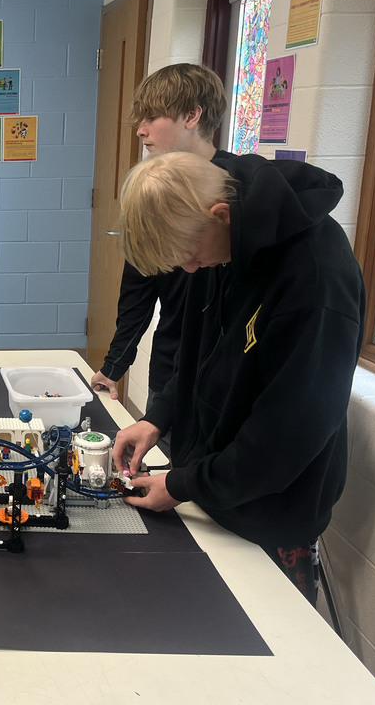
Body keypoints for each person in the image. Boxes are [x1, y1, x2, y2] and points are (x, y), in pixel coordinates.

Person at [111, 150, 364, 604]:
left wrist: (180, 485)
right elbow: (196, 355)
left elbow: (284, 442)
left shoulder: (316, 278)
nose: (189, 269)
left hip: (270, 516)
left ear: (220, 214)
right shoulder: (222, 244)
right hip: (207, 492)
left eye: (189, 256)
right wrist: (158, 417)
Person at [90, 63, 233, 458]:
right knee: (161, 470)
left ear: (192, 116)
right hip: (172, 367)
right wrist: (114, 365)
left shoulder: (238, 193)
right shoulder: (149, 190)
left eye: (151, 117)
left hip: (226, 377)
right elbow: (138, 291)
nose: (140, 129)